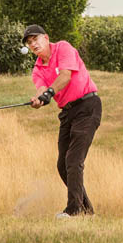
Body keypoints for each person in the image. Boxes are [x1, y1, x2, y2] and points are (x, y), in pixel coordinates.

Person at [23, 24, 102, 218]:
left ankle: (74, 210)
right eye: (29, 42)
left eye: (36, 39)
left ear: (46, 38)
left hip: (87, 106)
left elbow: (65, 75)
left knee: (74, 160)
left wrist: (49, 93)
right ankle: (86, 210)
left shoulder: (63, 48)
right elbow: (41, 89)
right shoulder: (37, 69)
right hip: (67, 113)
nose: (33, 44)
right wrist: (38, 99)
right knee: (62, 164)